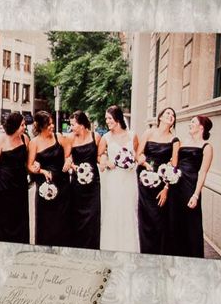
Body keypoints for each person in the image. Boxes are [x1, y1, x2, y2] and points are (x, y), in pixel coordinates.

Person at [0, 110, 32, 244]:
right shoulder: (1, 139)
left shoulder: (25, 138)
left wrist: (35, 165)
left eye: (24, 124)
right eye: (22, 125)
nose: (24, 127)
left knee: (19, 218)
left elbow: (29, 161)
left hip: (20, 185)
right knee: (3, 218)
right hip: (3, 185)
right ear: (15, 126)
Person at [168, 113, 214, 257]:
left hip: (190, 188)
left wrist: (196, 194)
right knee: (175, 223)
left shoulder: (206, 147)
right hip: (176, 186)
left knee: (191, 225)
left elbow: (203, 172)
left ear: (201, 127)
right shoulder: (183, 142)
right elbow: (174, 162)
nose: (190, 124)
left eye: (193, 122)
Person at [137, 106, 178, 256]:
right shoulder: (148, 133)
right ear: (160, 117)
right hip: (145, 179)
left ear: (173, 122)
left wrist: (166, 188)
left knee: (159, 220)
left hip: (161, 182)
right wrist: (144, 163)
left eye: (173, 115)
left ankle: (158, 254)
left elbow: (174, 166)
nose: (170, 116)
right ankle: (144, 251)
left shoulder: (174, 140)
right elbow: (138, 154)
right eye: (168, 113)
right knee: (145, 218)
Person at [98, 105, 140, 253]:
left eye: (109, 118)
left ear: (117, 118)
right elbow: (100, 155)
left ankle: (130, 249)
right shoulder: (106, 137)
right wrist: (105, 160)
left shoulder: (132, 135)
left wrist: (134, 161)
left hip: (129, 179)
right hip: (114, 179)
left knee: (128, 211)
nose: (107, 121)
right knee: (113, 210)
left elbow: (137, 155)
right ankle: (111, 248)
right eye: (106, 119)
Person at [61, 111, 102, 250]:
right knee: (77, 216)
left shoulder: (95, 136)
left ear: (82, 124)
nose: (71, 127)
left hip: (93, 183)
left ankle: (92, 246)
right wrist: (74, 166)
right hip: (77, 183)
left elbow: (99, 156)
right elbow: (67, 158)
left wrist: (104, 161)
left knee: (93, 216)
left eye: (73, 124)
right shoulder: (70, 138)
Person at [28, 109, 67, 247]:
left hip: (62, 185)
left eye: (52, 123)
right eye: (48, 124)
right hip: (46, 188)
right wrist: (42, 170)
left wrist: (69, 161)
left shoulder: (59, 137)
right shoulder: (34, 143)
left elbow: (69, 154)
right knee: (46, 222)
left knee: (61, 222)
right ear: (40, 126)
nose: (52, 126)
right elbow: (30, 166)